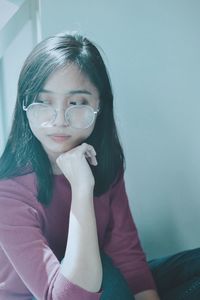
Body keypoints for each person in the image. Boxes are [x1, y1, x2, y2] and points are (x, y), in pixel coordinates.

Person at [1, 32, 200, 300]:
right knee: (104, 268)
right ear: (25, 105)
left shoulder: (104, 162)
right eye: (44, 102)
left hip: (100, 284)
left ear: (99, 106)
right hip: (43, 296)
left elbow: (126, 255)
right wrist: (82, 189)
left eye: (76, 103)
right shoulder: (8, 191)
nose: (59, 119)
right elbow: (66, 297)